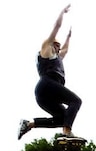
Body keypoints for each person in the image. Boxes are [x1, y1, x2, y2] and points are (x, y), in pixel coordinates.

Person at [17, 4, 83, 141]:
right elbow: (56, 27)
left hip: (45, 95)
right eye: (57, 45)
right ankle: (67, 132)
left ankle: (29, 124)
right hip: (47, 84)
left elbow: (65, 50)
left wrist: (69, 37)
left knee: (62, 118)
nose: (59, 48)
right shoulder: (46, 50)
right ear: (52, 43)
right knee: (75, 101)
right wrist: (62, 13)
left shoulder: (57, 56)